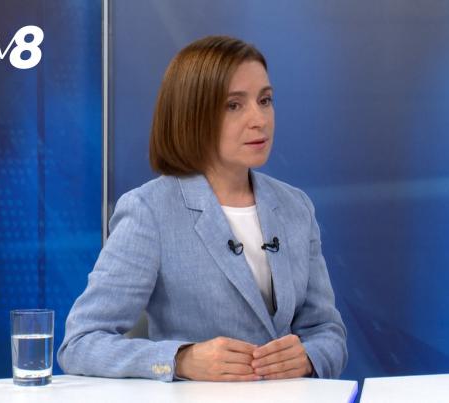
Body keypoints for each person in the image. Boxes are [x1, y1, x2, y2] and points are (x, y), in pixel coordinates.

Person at [57, 35, 348, 382]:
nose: (259, 119)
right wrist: (180, 360)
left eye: (265, 100)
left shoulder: (295, 206)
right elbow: (81, 343)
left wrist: (309, 357)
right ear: (192, 114)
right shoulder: (149, 211)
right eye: (234, 105)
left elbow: (327, 332)